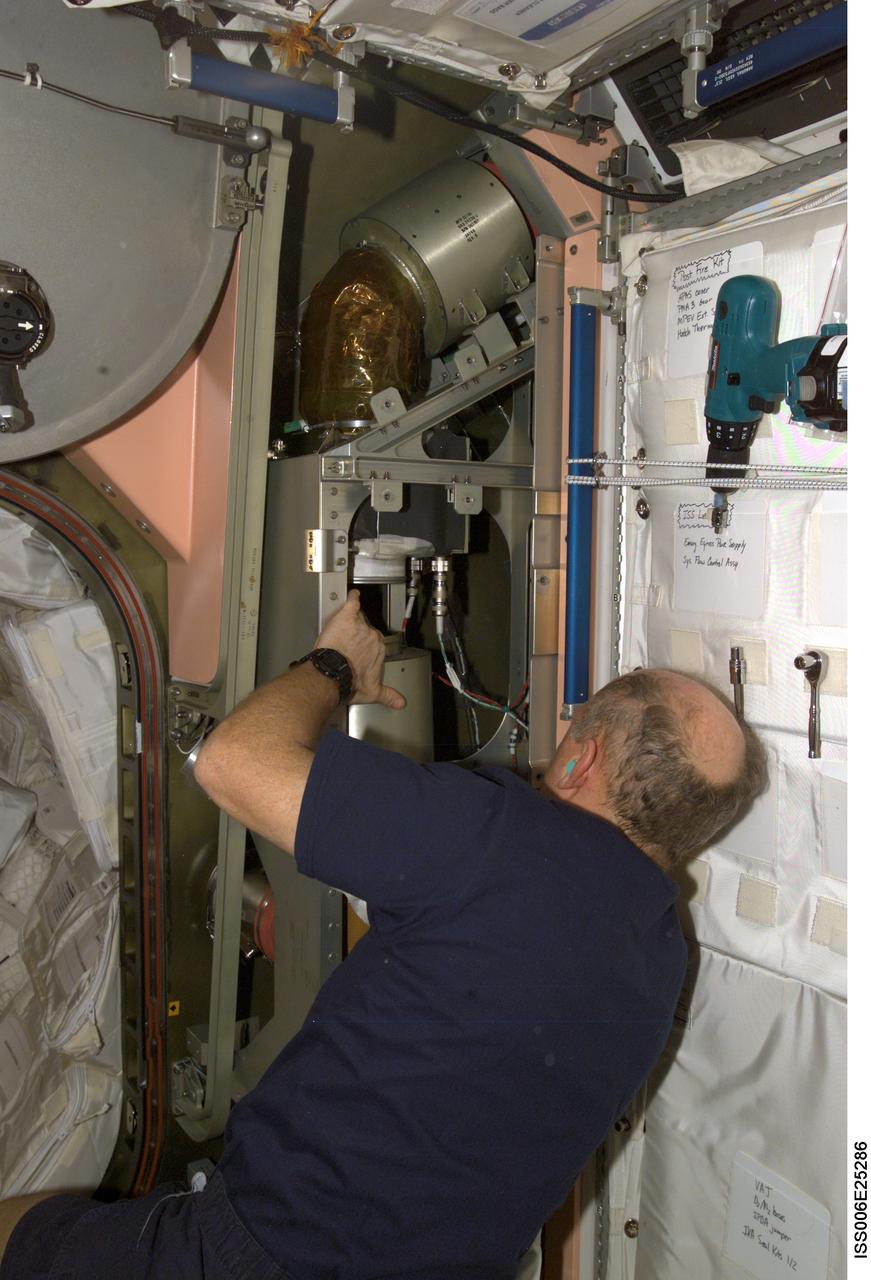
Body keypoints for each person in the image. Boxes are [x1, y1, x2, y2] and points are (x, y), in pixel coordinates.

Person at [0, 591, 767, 1279]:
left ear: (581, 755)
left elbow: (233, 761)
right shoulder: (659, 959)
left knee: (21, 1234)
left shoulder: (504, 839)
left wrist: (335, 664)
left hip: (271, 1255)